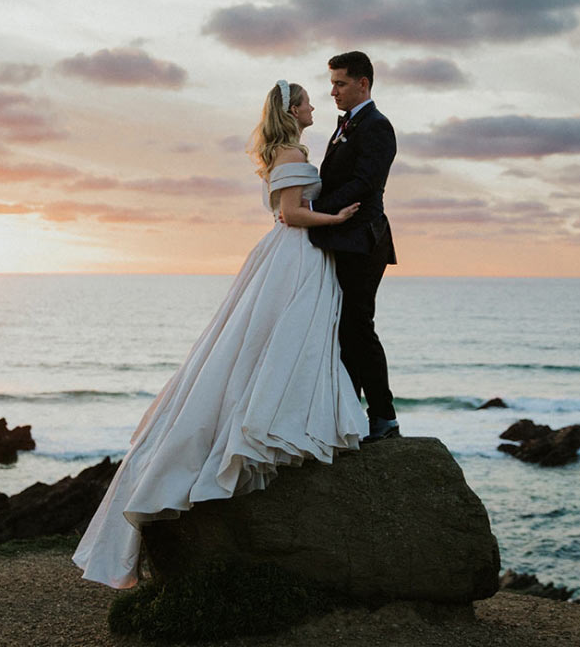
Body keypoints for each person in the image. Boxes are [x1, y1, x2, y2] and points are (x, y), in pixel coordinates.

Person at [72, 80, 367, 589]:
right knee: (286, 339)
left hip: (286, 253)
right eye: (307, 101)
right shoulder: (293, 149)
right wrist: (335, 216)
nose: (315, 105)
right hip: (296, 254)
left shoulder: (281, 149)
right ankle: (272, 421)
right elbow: (293, 213)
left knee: (272, 342)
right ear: (292, 110)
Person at [308, 51, 399, 443]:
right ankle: (351, 416)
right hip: (344, 237)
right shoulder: (346, 125)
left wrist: (312, 209)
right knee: (347, 330)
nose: (332, 92)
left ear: (363, 83)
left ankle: (384, 417)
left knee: (359, 328)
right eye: (331, 84)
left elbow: (364, 182)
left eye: (340, 83)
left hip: (364, 239)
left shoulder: (377, 126)